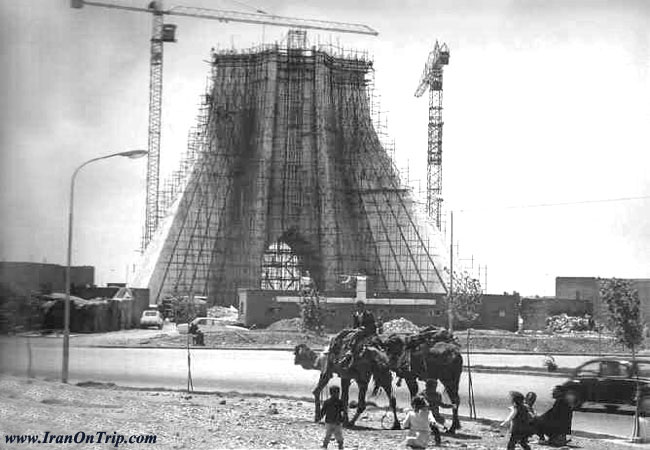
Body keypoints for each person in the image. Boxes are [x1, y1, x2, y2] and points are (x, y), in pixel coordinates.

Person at [340, 301, 377, 370]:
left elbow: (372, 326)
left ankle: (351, 348)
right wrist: (354, 329)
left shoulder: (369, 315)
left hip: (368, 332)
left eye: (361, 307)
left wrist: (364, 328)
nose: (359, 309)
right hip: (358, 331)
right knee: (346, 332)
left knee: (357, 334)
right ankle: (343, 349)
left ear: (363, 307)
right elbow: (355, 326)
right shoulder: (355, 315)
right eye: (358, 307)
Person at [319, 385, 345, 449]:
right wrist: (320, 417)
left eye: (337, 393)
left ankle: (340, 445)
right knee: (328, 434)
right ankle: (325, 445)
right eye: (335, 393)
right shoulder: (327, 402)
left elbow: (343, 411)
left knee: (338, 435)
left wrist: (343, 418)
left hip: (337, 422)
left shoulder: (340, 402)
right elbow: (323, 411)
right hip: (329, 421)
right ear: (331, 393)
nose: (336, 394)